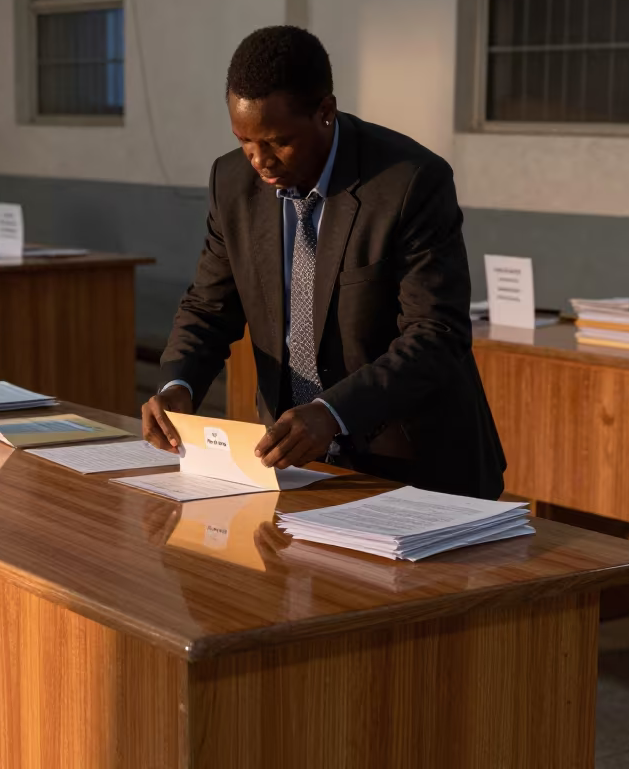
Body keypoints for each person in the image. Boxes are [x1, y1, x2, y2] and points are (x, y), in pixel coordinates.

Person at [142, 25, 505, 499]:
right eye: (244, 141)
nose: (259, 161)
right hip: (289, 464)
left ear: (326, 112)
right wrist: (179, 384)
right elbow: (210, 307)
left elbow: (437, 335)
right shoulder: (230, 182)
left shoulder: (409, 182)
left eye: (276, 141)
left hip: (411, 467)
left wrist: (333, 413)